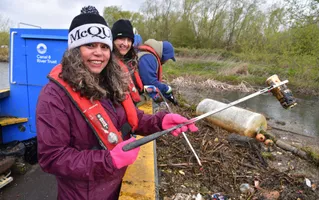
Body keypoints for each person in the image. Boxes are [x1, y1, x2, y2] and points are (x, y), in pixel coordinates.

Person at [36, 6, 198, 200]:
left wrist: (161, 122)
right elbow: (52, 158)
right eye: (90, 45)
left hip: (116, 184)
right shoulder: (53, 96)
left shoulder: (110, 82)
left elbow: (129, 118)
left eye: (104, 47)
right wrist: (108, 160)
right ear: (74, 50)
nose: (99, 53)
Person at [137, 39, 178, 105]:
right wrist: (166, 89)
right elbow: (150, 83)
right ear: (165, 55)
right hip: (134, 96)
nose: (166, 61)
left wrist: (168, 96)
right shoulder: (148, 58)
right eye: (168, 58)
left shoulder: (149, 56)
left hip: (137, 92)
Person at [111, 19, 143, 104]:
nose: (125, 44)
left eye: (129, 40)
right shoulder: (106, 65)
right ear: (112, 40)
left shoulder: (131, 62)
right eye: (121, 38)